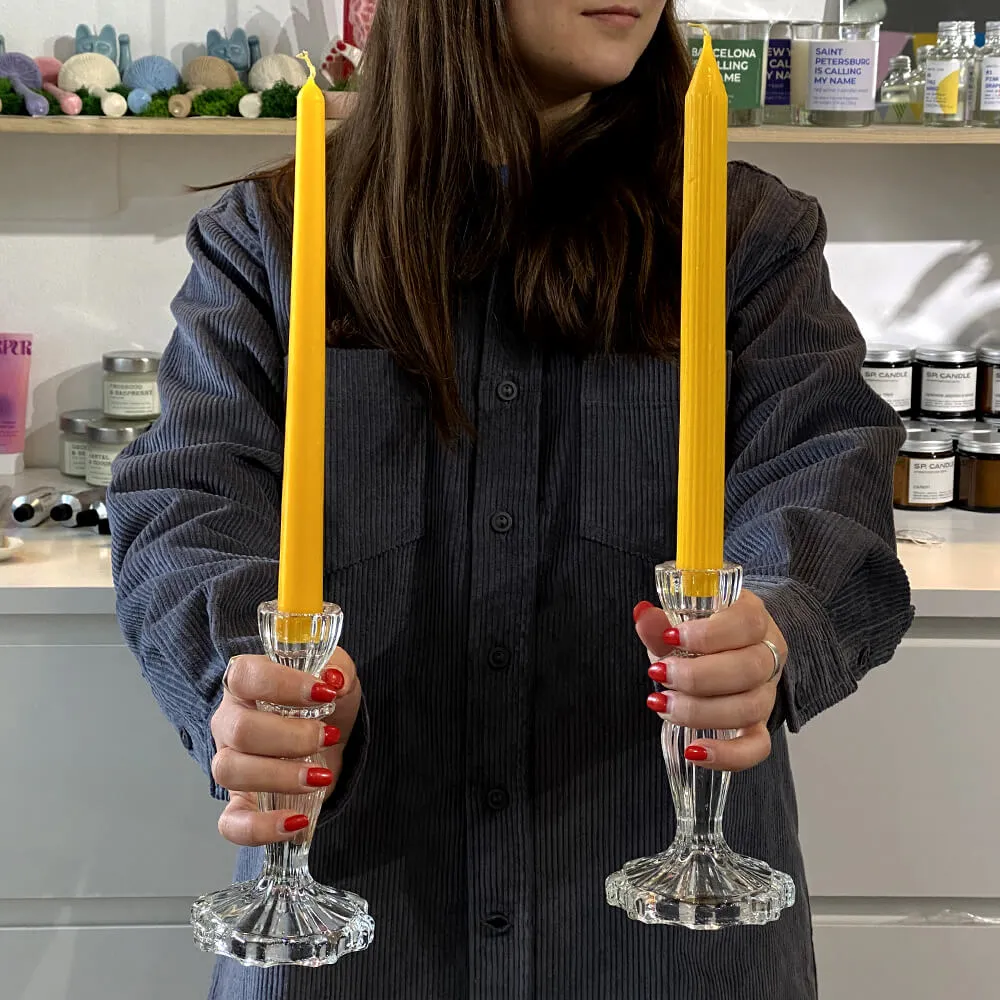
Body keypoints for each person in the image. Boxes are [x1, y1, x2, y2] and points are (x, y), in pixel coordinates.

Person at [107, 2, 914, 998]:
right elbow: (187, 497)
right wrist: (257, 683)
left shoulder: (746, 236)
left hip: (661, 943)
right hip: (362, 933)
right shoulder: (274, 239)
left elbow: (828, 469)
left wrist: (774, 629)